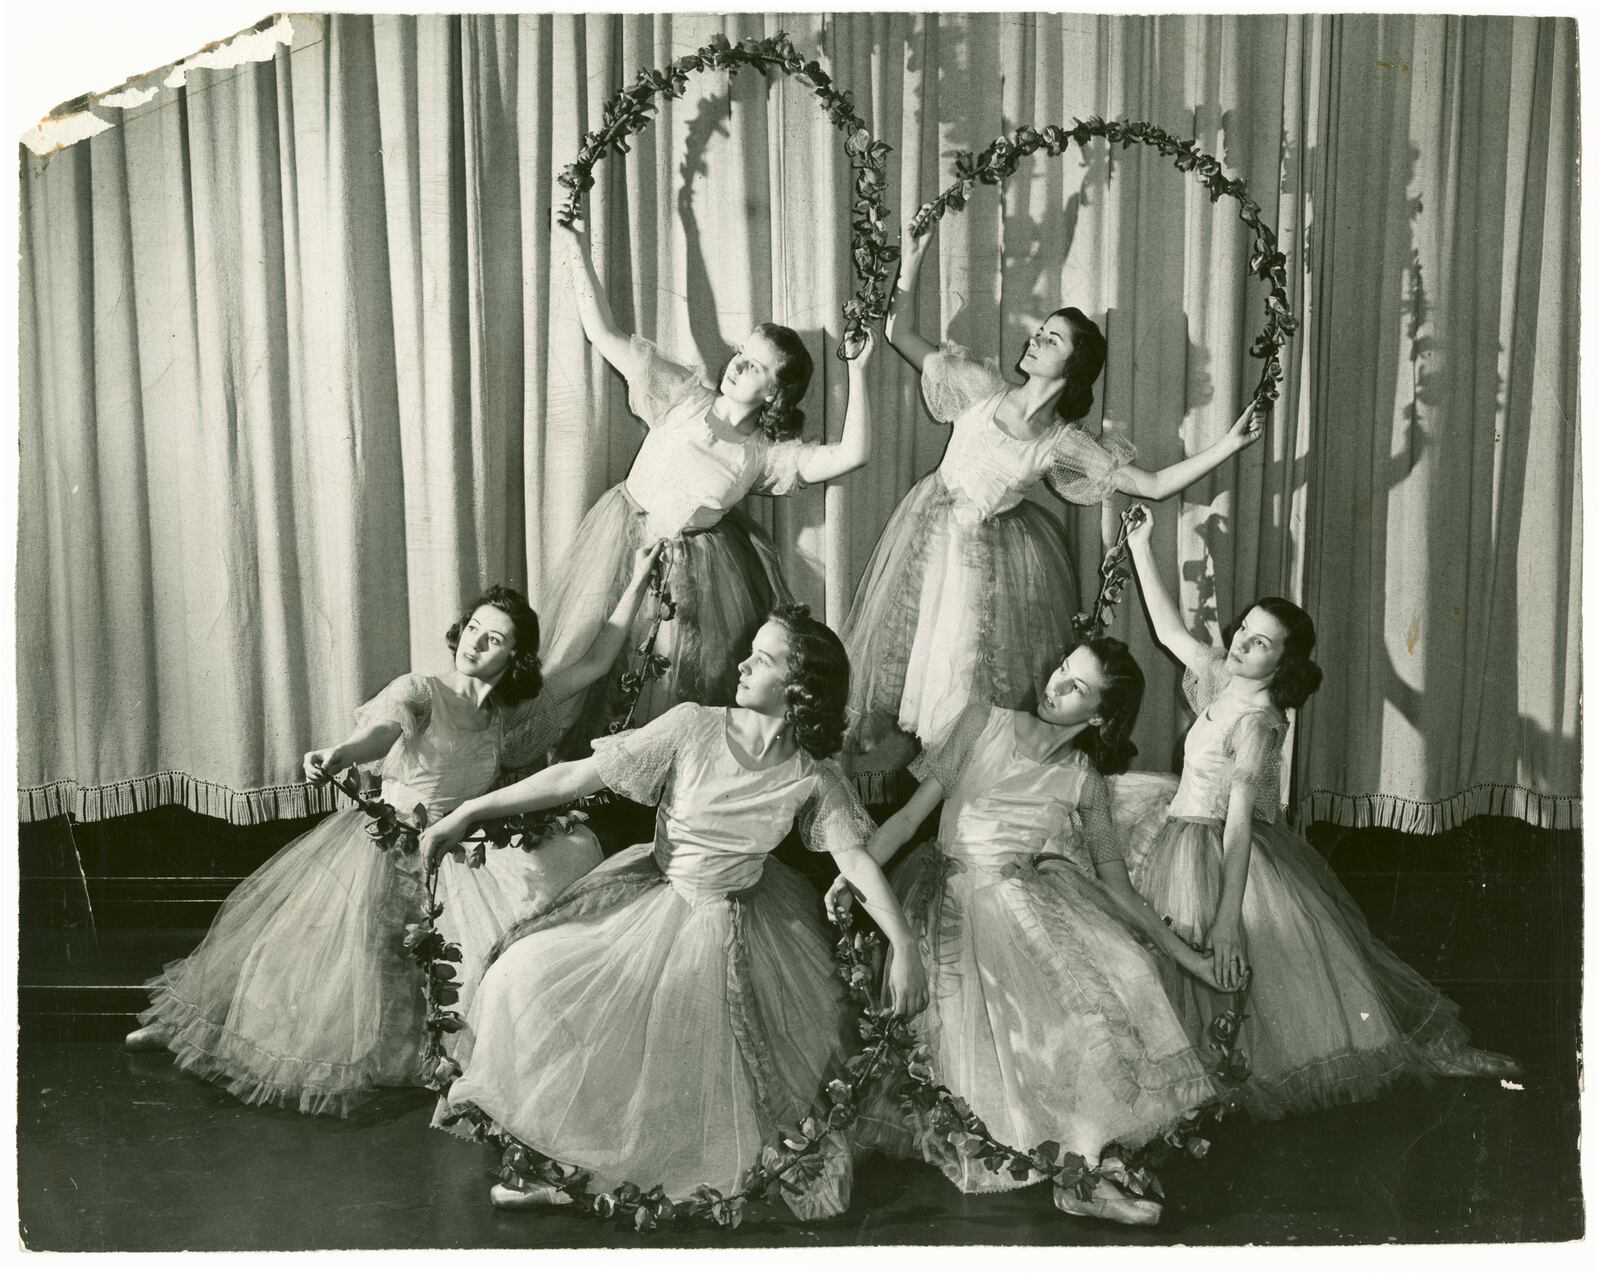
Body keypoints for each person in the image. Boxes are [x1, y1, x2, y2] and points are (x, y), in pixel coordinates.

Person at [422, 605, 928, 1217]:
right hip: (655, 900)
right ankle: (562, 1159)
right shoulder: (693, 726)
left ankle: (603, 1171)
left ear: (798, 688)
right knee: (519, 977)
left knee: (689, 1058)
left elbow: (856, 861)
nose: (742, 663)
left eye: (762, 659)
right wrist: (468, 813)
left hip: (737, 920)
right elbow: (575, 777)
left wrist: (903, 946)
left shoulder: (814, 774)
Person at [122, 548, 663, 1116]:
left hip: (448, 849)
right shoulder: (422, 690)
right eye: (473, 628)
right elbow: (382, 734)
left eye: (493, 638)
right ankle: (200, 1030)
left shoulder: (508, 713)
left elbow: (596, 663)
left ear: (515, 656)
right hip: (382, 841)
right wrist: (339, 753)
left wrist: (640, 577)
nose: (475, 643)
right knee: (318, 964)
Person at [1123, 504, 1518, 1118]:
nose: (1238, 643)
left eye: (1258, 644)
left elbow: (1236, 824)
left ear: (1283, 664)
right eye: (1243, 629)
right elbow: (1171, 632)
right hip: (1179, 827)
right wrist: (1142, 546)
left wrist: (1228, 921)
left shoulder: (1259, 723)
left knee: (1254, 986)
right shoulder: (1219, 679)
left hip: (1227, 855)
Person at [841, 213, 1264, 767]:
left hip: (984, 570)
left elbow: (1153, 484)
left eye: (1051, 337)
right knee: (920, 666)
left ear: (1074, 365)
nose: (1034, 339)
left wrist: (1229, 445)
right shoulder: (979, 388)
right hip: (927, 544)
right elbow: (898, 334)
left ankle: (954, 806)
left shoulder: (1063, 442)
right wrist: (914, 256)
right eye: (1040, 331)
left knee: (960, 680)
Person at [830, 638, 1224, 1226]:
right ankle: (1081, 1171)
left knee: (1118, 981)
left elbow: (1117, 885)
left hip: (1027, 900)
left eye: (1077, 686)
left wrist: (1188, 958)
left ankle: (1089, 1170)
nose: (1055, 684)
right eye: (1063, 667)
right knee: (1015, 1043)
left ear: (1099, 717)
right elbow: (911, 818)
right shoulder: (981, 721)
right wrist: (851, 872)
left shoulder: (1086, 780)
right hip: (953, 897)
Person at [541, 215, 879, 752]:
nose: (738, 367)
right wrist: (576, 246)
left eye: (756, 367)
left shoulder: (763, 457)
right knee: (584, 659)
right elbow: (602, 332)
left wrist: (859, 374)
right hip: (620, 547)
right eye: (741, 356)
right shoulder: (682, 395)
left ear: (776, 394)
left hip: (691, 576)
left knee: (664, 685)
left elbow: (855, 453)